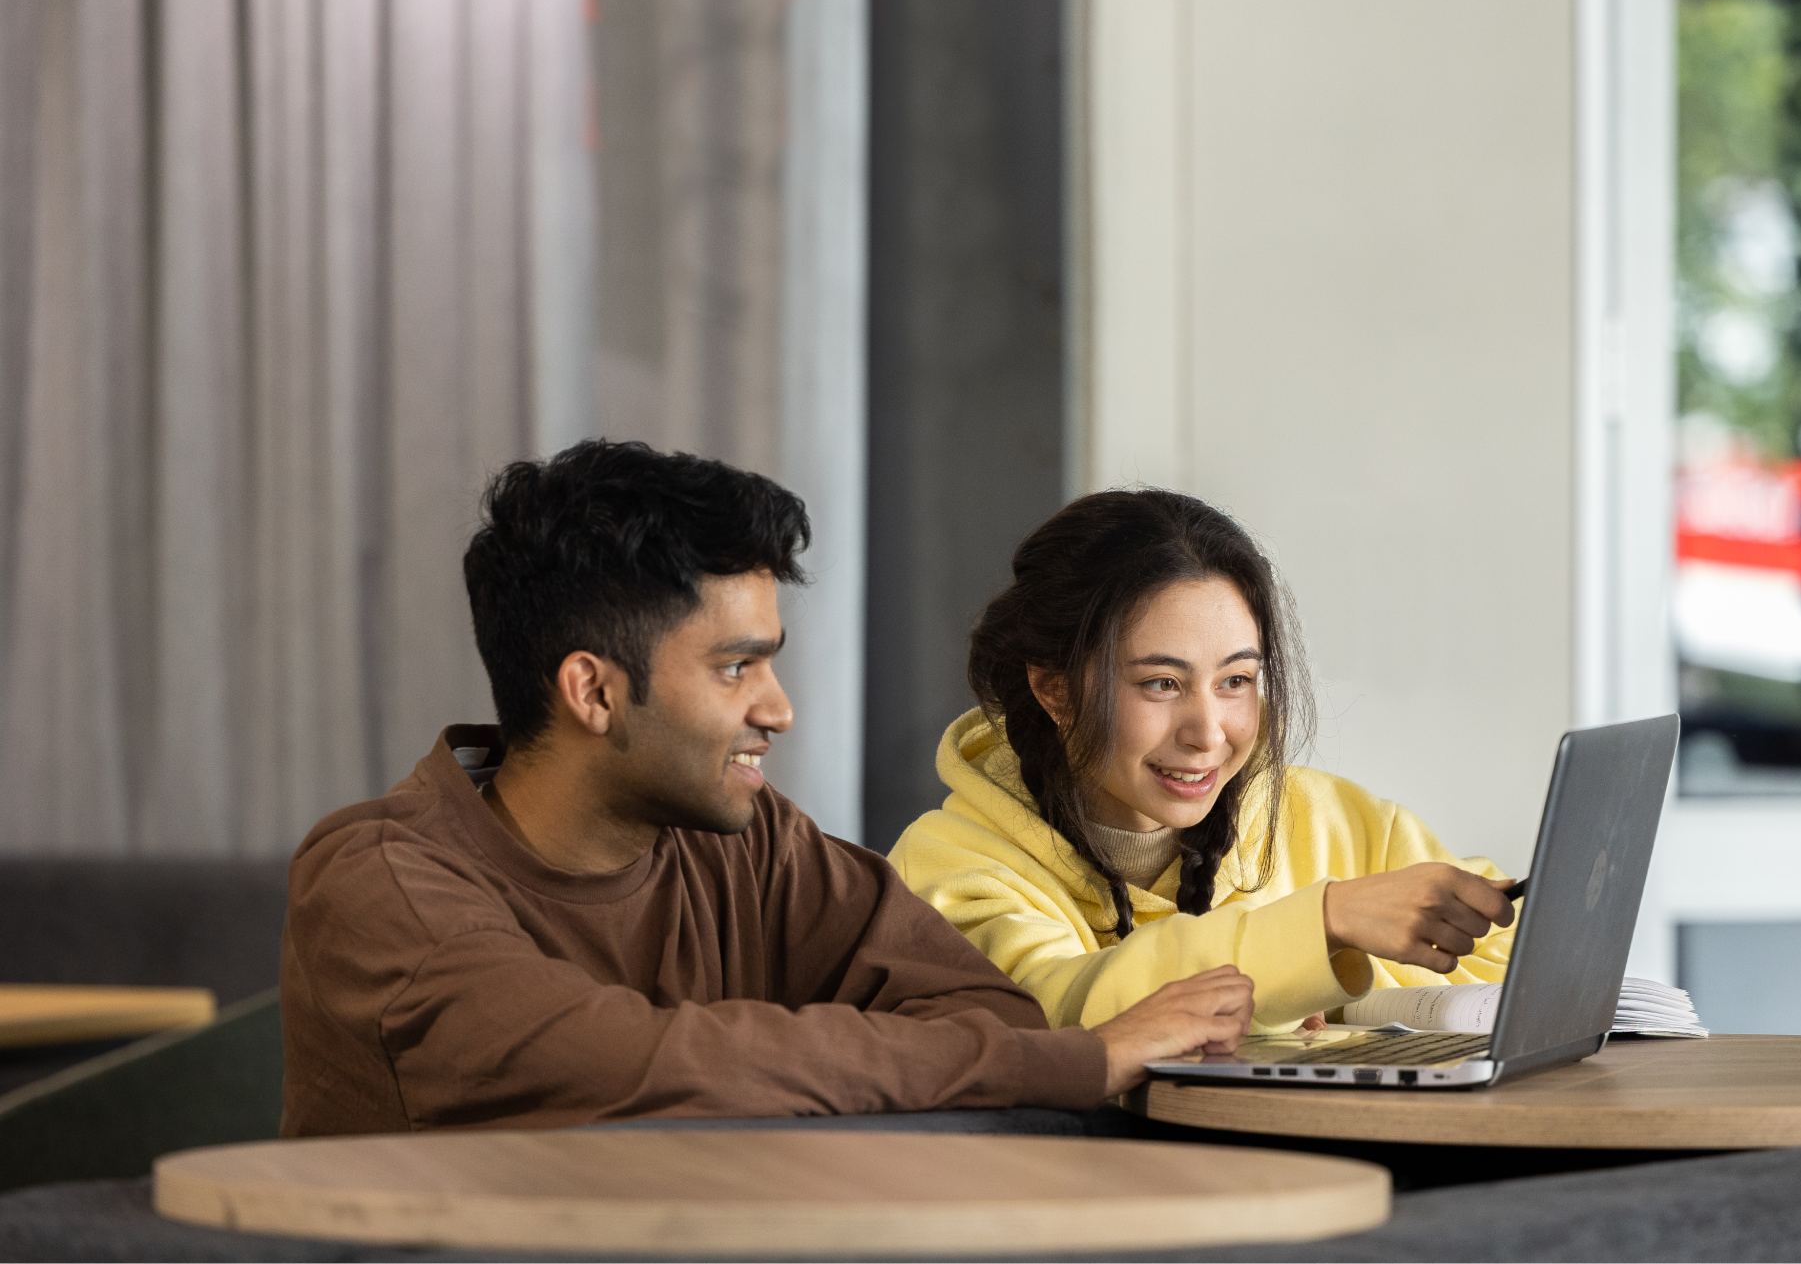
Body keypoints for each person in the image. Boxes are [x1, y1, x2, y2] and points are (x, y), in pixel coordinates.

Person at [280, 443, 1253, 1137]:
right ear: (593, 689)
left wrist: (769, 1066)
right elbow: (625, 1066)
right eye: (736, 667)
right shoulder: (379, 880)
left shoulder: (748, 842)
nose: (779, 708)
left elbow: (986, 1014)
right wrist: (1088, 1058)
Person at [888, 489, 1518, 1033]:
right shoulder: (950, 864)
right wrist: (1327, 926)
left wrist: (1343, 991)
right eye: (1162, 683)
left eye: (1236, 680)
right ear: (1055, 690)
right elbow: (1052, 1010)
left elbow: (1516, 957)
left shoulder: (1328, 819)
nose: (1208, 732)